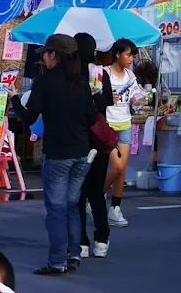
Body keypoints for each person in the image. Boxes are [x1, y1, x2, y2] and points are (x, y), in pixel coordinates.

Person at [15, 34, 94, 275]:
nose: (45, 59)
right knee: (72, 205)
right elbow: (91, 118)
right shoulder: (81, 81)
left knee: (57, 208)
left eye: (47, 54)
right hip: (82, 152)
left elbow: (29, 117)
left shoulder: (45, 82)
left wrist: (15, 101)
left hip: (58, 152)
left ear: (53, 55)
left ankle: (57, 261)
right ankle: (73, 255)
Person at [75, 33, 113, 260]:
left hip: (78, 139)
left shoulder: (71, 74)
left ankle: (82, 241)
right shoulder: (101, 74)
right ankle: (102, 239)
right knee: (97, 192)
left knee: (78, 193)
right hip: (99, 138)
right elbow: (108, 103)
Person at [104, 38, 140, 228]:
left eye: (132, 55)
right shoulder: (105, 74)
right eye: (128, 55)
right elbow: (95, 96)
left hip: (125, 123)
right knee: (117, 167)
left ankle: (115, 208)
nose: (131, 59)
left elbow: (135, 95)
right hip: (108, 125)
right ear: (117, 54)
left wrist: (138, 99)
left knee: (122, 169)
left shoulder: (130, 75)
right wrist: (108, 98)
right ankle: (95, 196)